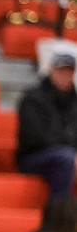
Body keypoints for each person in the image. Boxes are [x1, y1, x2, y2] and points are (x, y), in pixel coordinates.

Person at [16, 51, 77, 198]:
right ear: (51, 71)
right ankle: (58, 215)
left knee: (67, 158)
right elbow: (32, 138)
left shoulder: (74, 101)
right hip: (33, 157)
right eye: (61, 71)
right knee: (65, 159)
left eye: (69, 72)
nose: (65, 76)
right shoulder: (33, 99)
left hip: (68, 156)